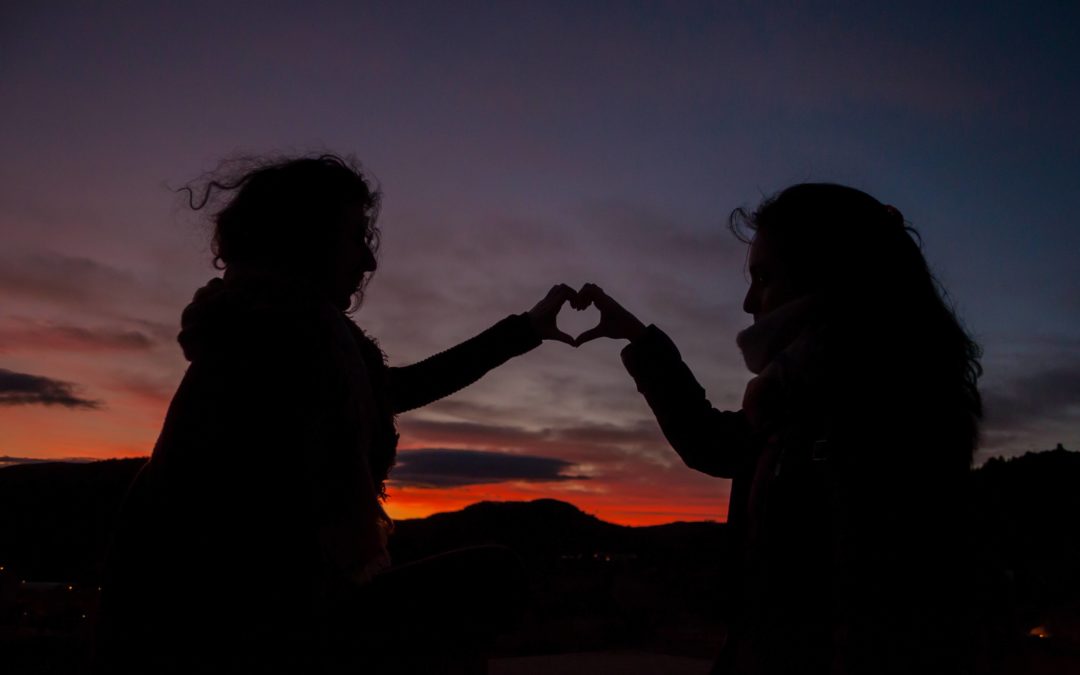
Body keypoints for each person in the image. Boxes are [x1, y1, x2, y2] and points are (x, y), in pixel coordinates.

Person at [93, 154, 576, 674]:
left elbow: (393, 389)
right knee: (492, 578)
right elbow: (262, 558)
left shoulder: (277, 329)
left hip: (223, 617)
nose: (367, 262)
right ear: (304, 240)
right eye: (354, 238)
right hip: (222, 633)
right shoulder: (284, 341)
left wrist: (526, 329)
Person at [572, 183, 982, 675]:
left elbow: (878, 619)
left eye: (764, 277)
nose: (749, 301)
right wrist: (636, 337)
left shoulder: (883, 413)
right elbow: (715, 443)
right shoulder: (799, 397)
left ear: (829, 276)